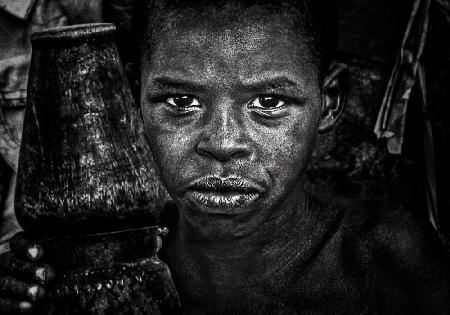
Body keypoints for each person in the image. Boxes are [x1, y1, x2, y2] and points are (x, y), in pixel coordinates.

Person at [0, 0, 449, 313]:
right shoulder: (104, 264)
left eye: (269, 103)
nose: (222, 143)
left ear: (329, 100)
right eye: (180, 101)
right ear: (131, 96)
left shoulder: (389, 261)